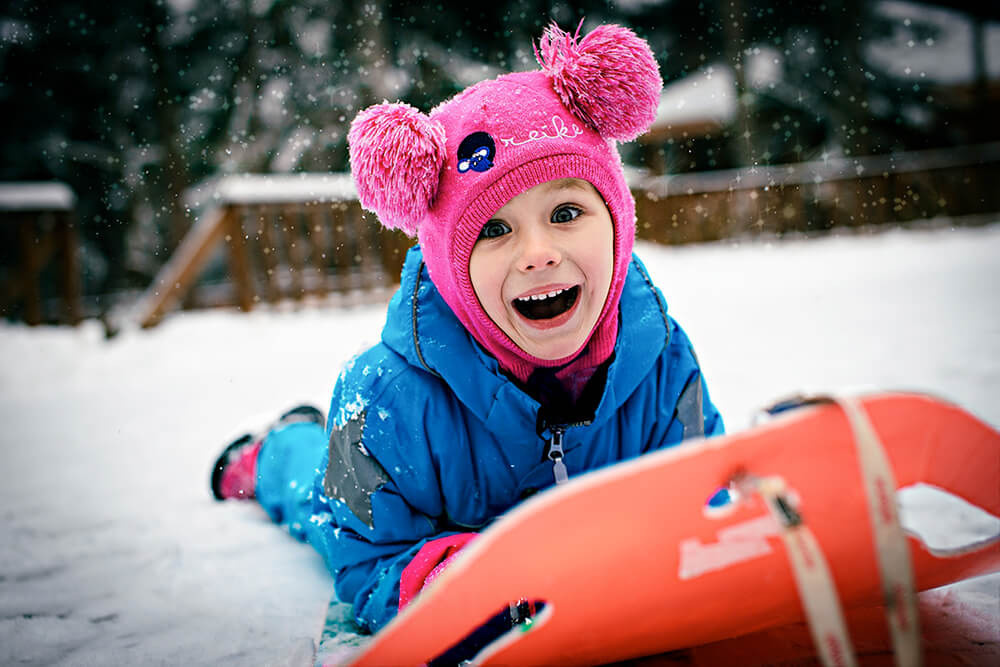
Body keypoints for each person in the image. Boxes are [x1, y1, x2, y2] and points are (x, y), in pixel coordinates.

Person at [211, 21, 724, 660]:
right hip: (400, 504)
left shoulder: (660, 358)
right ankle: (274, 452)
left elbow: (708, 490)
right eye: (494, 230)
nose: (539, 253)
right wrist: (452, 582)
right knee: (318, 494)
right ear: (450, 264)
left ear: (617, 225)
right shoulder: (389, 400)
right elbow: (366, 556)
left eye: (566, 214)